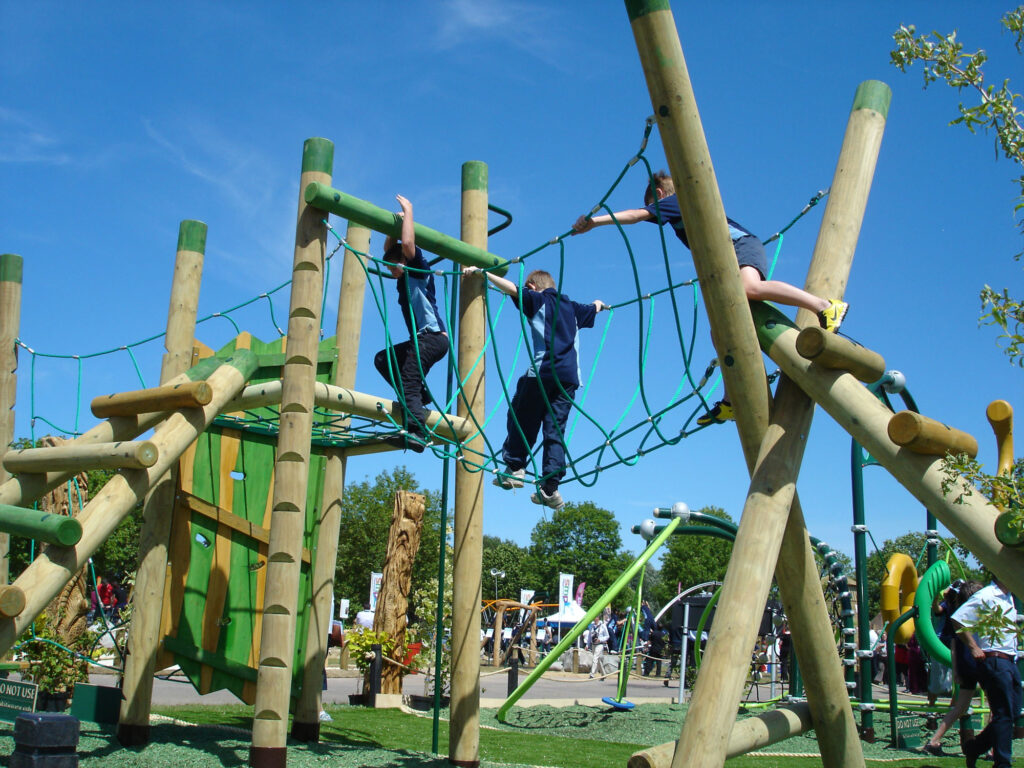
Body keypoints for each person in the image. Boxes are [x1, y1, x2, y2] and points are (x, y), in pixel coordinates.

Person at [572, 170, 848, 425]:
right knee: (721, 333)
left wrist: (595, 222)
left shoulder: (676, 199)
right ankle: (731, 401)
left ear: (660, 192)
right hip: (726, 264)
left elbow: (636, 215)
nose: (653, 208)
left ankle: (824, 305)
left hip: (740, 246)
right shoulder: (675, 208)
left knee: (749, 288)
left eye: (652, 201)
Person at [464, 266, 607, 509]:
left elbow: (512, 288)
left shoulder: (538, 299)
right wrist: (599, 304)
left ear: (533, 287)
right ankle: (550, 489)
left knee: (521, 415)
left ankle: (515, 466)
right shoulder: (573, 308)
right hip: (569, 379)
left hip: (543, 372)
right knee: (555, 430)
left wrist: (482, 273)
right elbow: (594, 307)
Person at [374, 194, 448, 453]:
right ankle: (421, 395)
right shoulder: (402, 278)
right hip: (421, 340)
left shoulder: (418, 269)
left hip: (433, 338)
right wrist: (390, 228)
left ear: (405, 261)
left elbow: (406, 243)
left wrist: (408, 211)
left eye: (394, 265)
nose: (391, 269)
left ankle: (418, 432)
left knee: (408, 380)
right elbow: (390, 250)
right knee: (384, 360)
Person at [950, 577, 1020, 768]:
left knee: (1013, 712)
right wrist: (973, 647)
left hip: (1009, 659)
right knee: (1003, 714)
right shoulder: (986, 594)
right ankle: (1002, 764)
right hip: (994, 659)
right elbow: (957, 619)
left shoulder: (1009, 596)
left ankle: (975, 748)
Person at [922, 580, 983, 757]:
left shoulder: (960, 612)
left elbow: (956, 643)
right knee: (995, 706)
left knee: (960, 706)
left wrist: (956, 669)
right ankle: (990, 749)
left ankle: (934, 741)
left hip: (961, 655)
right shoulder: (965, 611)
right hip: (970, 656)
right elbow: (938, 611)